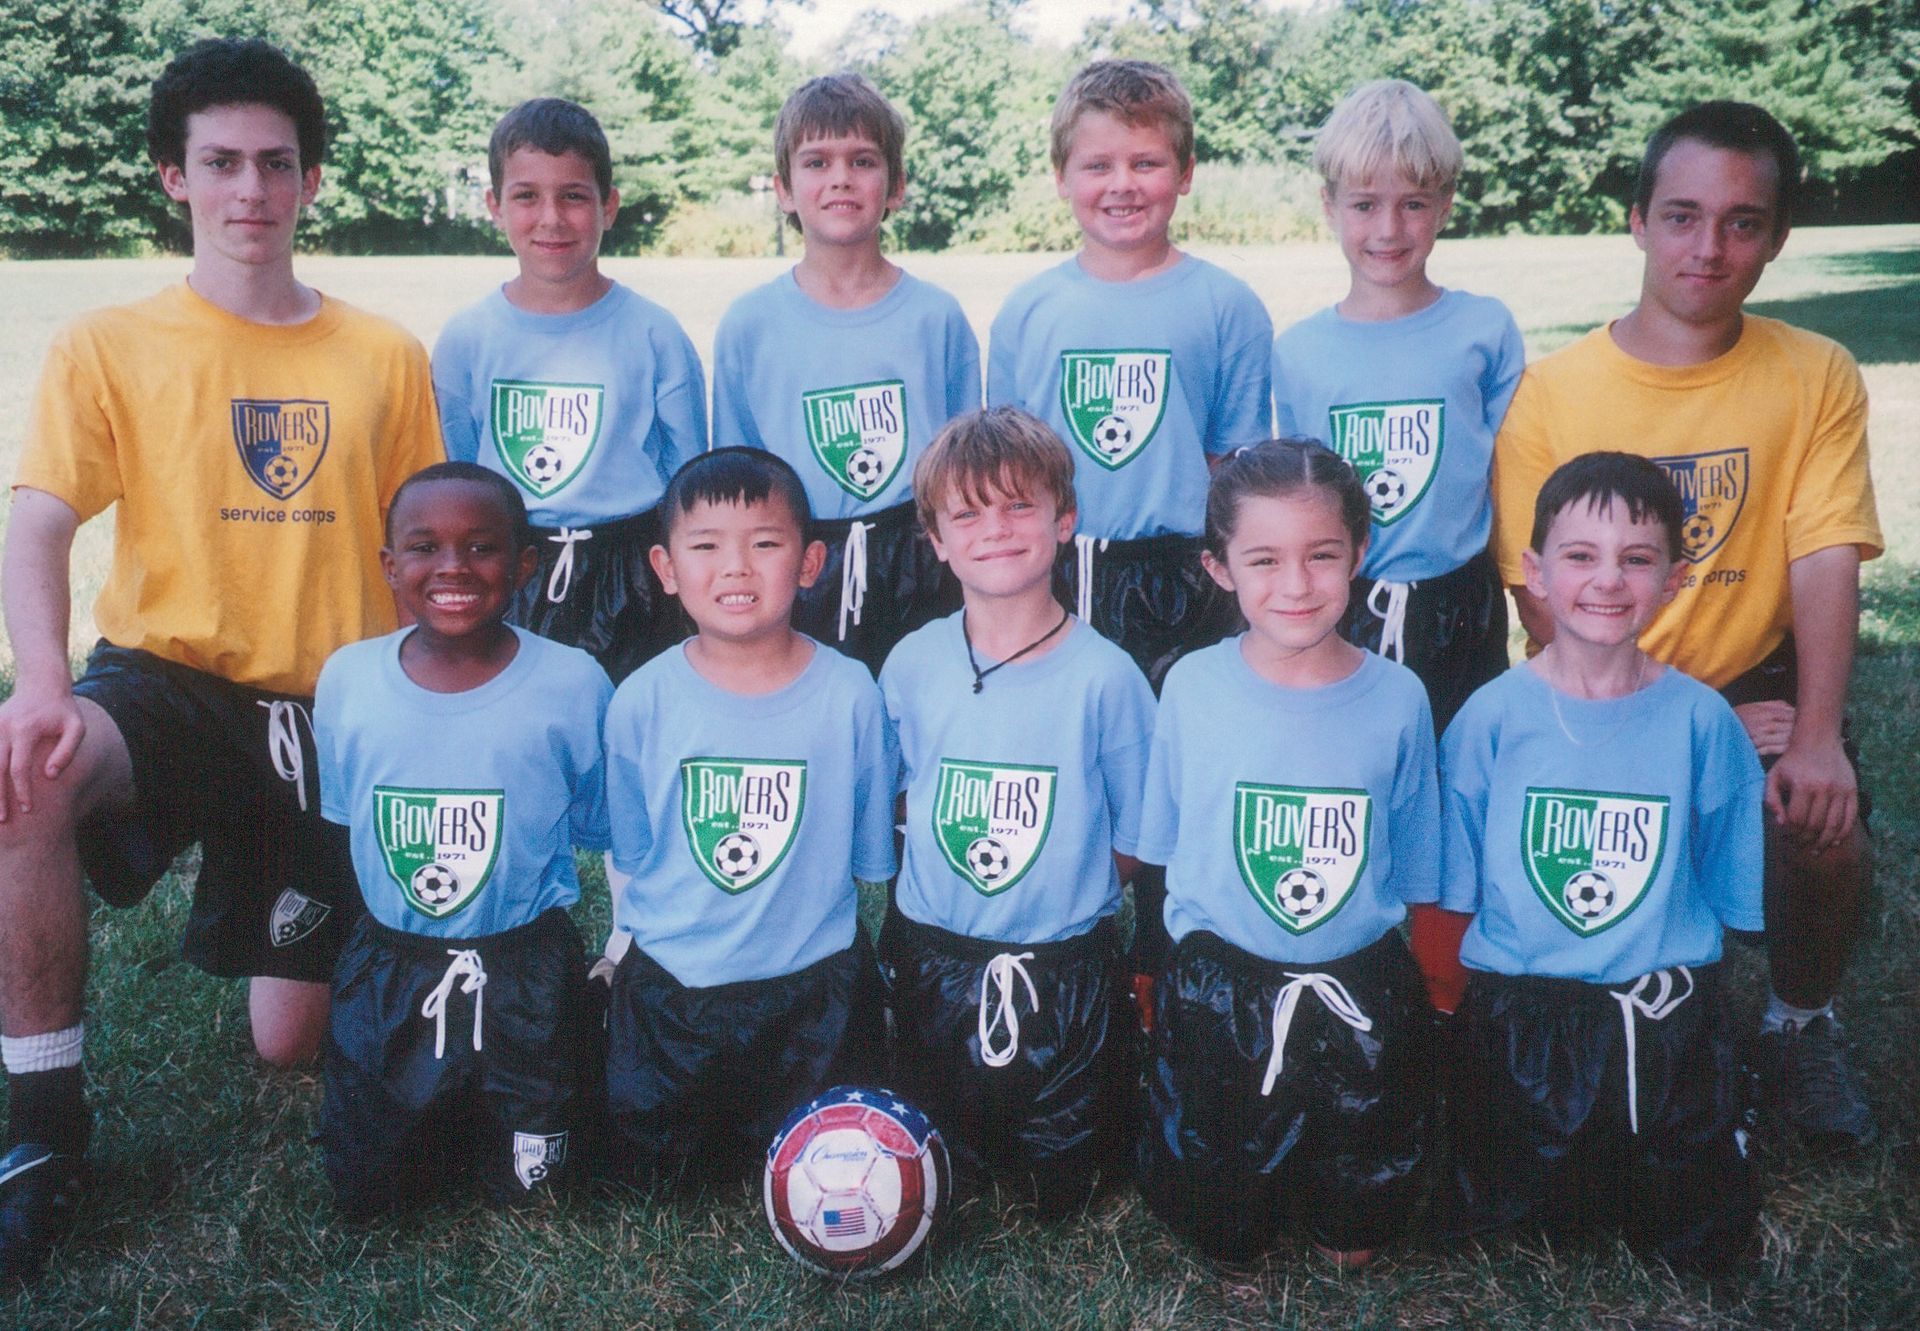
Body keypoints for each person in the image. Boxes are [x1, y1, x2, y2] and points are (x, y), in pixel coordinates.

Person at [0, 39, 442, 1282]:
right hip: (168, 682)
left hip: (330, 701)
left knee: (288, 1041)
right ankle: (45, 1129)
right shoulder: (108, 343)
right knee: (22, 772)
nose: (251, 188)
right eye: (222, 162)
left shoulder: (382, 353)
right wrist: (41, 686)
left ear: (310, 181)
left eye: (276, 163)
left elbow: (424, 543)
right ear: (174, 177)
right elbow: (38, 522)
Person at [1491, 101, 1883, 1147]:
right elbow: (1543, 599)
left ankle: (1799, 1022)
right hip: (1596, 682)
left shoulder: (1816, 374)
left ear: (1778, 236)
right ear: (1637, 221)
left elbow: (1825, 554)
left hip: (1755, 673)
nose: (1709, 247)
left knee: (1820, 817)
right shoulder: (1552, 392)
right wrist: (1681, 721)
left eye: (1742, 222)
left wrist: (1814, 734)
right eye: (1682, 216)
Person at [1436, 452, 1764, 1270]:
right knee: (1516, 1226)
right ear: (1535, 571)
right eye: (1581, 555)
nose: (1608, 579)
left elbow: (1728, 889)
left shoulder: (1703, 722)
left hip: (1660, 1019)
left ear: (1675, 577)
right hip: (1524, 1018)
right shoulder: (1489, 719)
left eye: (1637, 558)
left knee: (1695, 1235)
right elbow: (1453, 889)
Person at [1133, 440, 1438, 1269]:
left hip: (1355, 983)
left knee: (1353, 1245)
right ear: (1219, 566)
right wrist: (1154, 968)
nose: (1296, 584)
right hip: (1223, 987)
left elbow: (1417, 863)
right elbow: (1162, 848)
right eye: (1264, 559)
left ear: (1360, 552)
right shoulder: (1191, 686)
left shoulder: (1399, 696)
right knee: (1228, 1235)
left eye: (1322, 554)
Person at [876, 408, 1155, 1216]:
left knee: (1065, 1191)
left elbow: (1138, 834)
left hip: (1064, 971)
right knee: (936, 1172)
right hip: (937, 958)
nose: (995, 529)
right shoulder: (911, 663)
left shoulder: (1107, 677)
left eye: (1018, 505)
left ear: (1065, 520)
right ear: (936, 539)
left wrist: (1063, 888)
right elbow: (900, 794)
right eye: (967, 513)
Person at [314, 463, 611, 1215]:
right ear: (390, 566)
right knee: (373, 1193)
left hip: (525, 966)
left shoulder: (573, 682)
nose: (453, 567)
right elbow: (347, 823)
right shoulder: (348, 679)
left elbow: (606, 827)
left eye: (482, 547)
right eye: (425, 547)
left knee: (538, 1193)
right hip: (393, 963)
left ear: (525, 564)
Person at [600, 448, 897, 1186]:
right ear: (666, 568)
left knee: (827, 1163)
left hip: (814, 990)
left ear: (810, 562)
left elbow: (868, 856)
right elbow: (634, 851)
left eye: (764, 543)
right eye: (705, 546)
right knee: (653, 1177)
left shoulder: (852, 694)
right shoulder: (640, 700)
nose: (735, 567)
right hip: (676, 993)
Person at [987, 59, 1272, 690]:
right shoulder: (1027, 312)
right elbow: (1009, 471)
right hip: (1057, 573)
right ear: (1061, 176)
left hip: (1186, 580)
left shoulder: (1227, 305)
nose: (1123, 185)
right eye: (1098, 166)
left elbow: (1232, 464)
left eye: (1146, 163)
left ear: (1186, 172)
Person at [1272, 79, 1524, 733]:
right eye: (1365, 204)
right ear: (1329, 207)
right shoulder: (1299, 351)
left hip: (1460, 604)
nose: (1388, 229)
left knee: (1462, 766)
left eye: (1412, 204)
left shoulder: (1484, 330)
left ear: (1445, 205)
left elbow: (1508, 476)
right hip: (1345, 606)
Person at [712, 72, 981, 675]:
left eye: (862, 160)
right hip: (799, 567)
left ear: (896, 186)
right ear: (784, 189)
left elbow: (964, 469)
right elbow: (738, 478)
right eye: (817, 162)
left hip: (919, 564)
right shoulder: (750, 324)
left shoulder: (935, 316)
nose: (840, 178)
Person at [433, 97, 707, 684]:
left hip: (631, 578)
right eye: (526, 196)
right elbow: (462, 471)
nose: (551, 218)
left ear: (608, 206)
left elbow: (688, 482)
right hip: (511, 573)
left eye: (574, 196)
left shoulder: (653, 332)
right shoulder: (467, 338)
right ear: (495, 207)